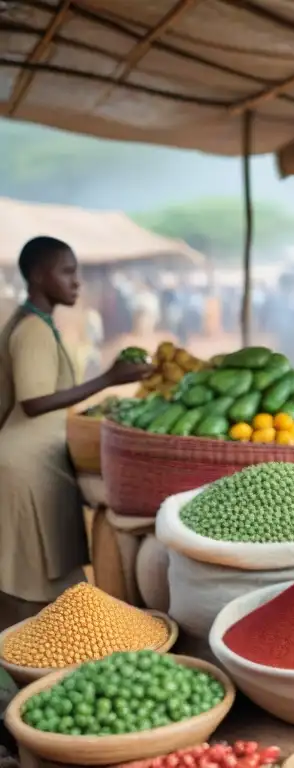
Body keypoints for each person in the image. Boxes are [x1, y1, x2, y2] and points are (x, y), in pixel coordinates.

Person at [0, 237, 151, 628]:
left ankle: (37, 656)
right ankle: (29, 661)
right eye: (66, 271)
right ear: (37, 275)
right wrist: (109, 378)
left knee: (43, 576)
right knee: (33, 581)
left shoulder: (37, 321)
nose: (77, 282)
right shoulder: (33, 329)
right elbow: (34, 402)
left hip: (35, 460)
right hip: (26, 466)